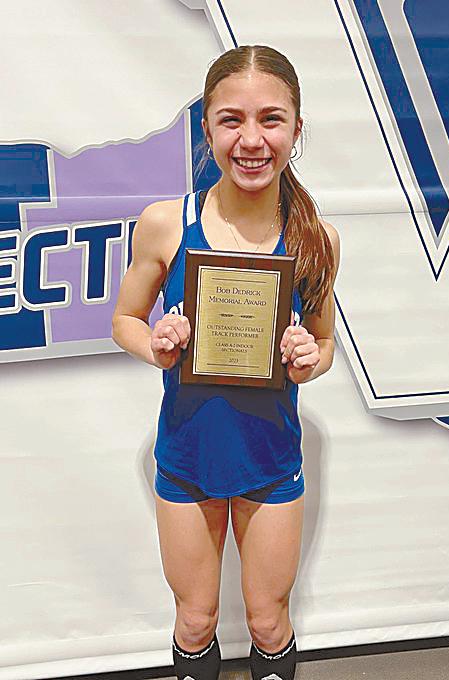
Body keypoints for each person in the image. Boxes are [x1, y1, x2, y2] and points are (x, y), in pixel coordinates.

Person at [112, 44, 340, 680]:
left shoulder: (316, 238)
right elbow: (125, 319)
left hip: (271, 459)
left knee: (268, 621)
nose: (252, 139)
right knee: (195, 620)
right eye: (231, 119)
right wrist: (155, 345)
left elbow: (324, 344)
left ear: (296, 128)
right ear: (207, 128)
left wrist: (308, 359)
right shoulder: (166, 224)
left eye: (271, 119)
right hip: (187, 457)